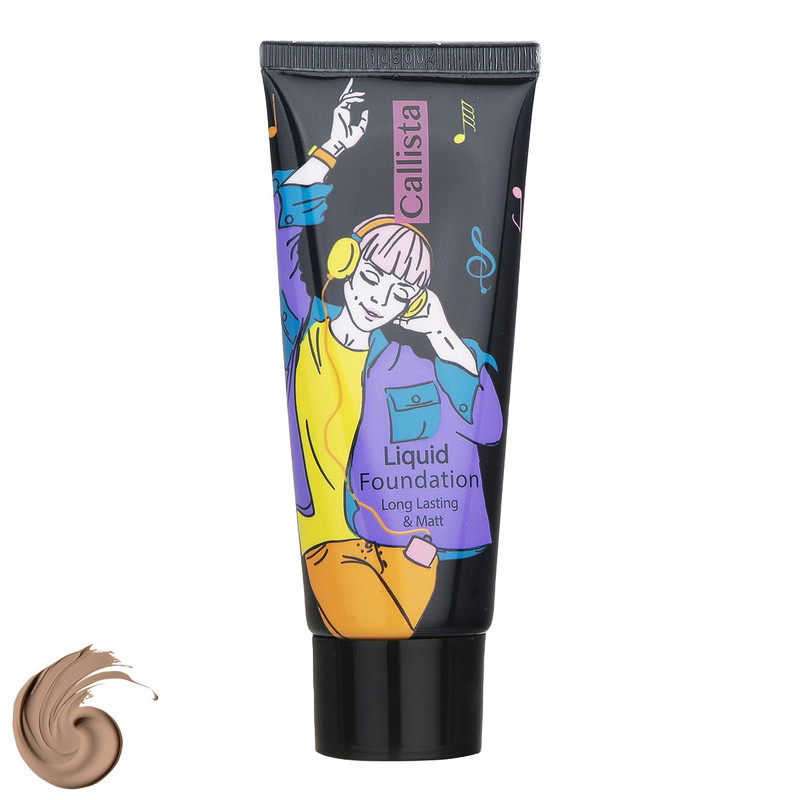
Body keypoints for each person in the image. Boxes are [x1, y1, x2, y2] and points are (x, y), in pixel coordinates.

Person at [273, 81, 502, 639]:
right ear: (347, 263)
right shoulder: (307, 326)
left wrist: (443, 335)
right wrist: (332, 147)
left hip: (402, 548)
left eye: (400, 293)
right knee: (364, 623)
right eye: (373, 277)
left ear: (412, 304)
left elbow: (487, 427)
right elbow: (288, 222)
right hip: (330, 542)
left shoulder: (408, 361)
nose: (380, 297)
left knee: (402, 625)